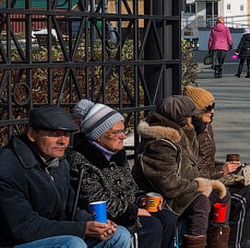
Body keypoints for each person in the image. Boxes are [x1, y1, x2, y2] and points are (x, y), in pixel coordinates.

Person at [0, 105, 132, 248]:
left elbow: (70, 206)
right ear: (32, 134)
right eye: (54, 134)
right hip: (6, 242)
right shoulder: (7, 167)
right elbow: (23, 228)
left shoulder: (58, 160)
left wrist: (97, 224)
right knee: (73, 244)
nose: (63, 141)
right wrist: (82, 228)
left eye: (66, 134)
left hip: (50, 234)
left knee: (120, 235)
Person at [68, 100, 178, 248]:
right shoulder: (81, 161)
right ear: (98, 135)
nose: (123, 137)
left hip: (127, 208)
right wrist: (133, 210)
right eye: (116, 132)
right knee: (151, 226)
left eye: (123, 131)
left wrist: (140, 199)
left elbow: (130, 187)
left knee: (168, 218)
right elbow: (96, 201)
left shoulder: (116, 154)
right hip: (108, 217)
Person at [134, 96, 227, 248]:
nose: (192, 119)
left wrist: (211, 179)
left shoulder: (185, 133)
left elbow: (199, 163)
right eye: (190, 116)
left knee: (222, 195)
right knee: (201, 202)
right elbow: (168, 185)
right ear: (181, 118)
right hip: (164, 198)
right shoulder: (159, 143)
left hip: (184, 188)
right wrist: (197, 185)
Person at [184, 86, 250, 248]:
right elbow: (194, 171)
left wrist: (230, 168)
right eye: (207, 108)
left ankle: (243, 240)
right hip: (199, 185)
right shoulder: (190, 132)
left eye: (213, 106)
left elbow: (208, 162)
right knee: (242, 197)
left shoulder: (206, 127)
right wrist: (223, 170)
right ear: (196, 111)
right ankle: (234, 244)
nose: (212, 111)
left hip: (211, 176)